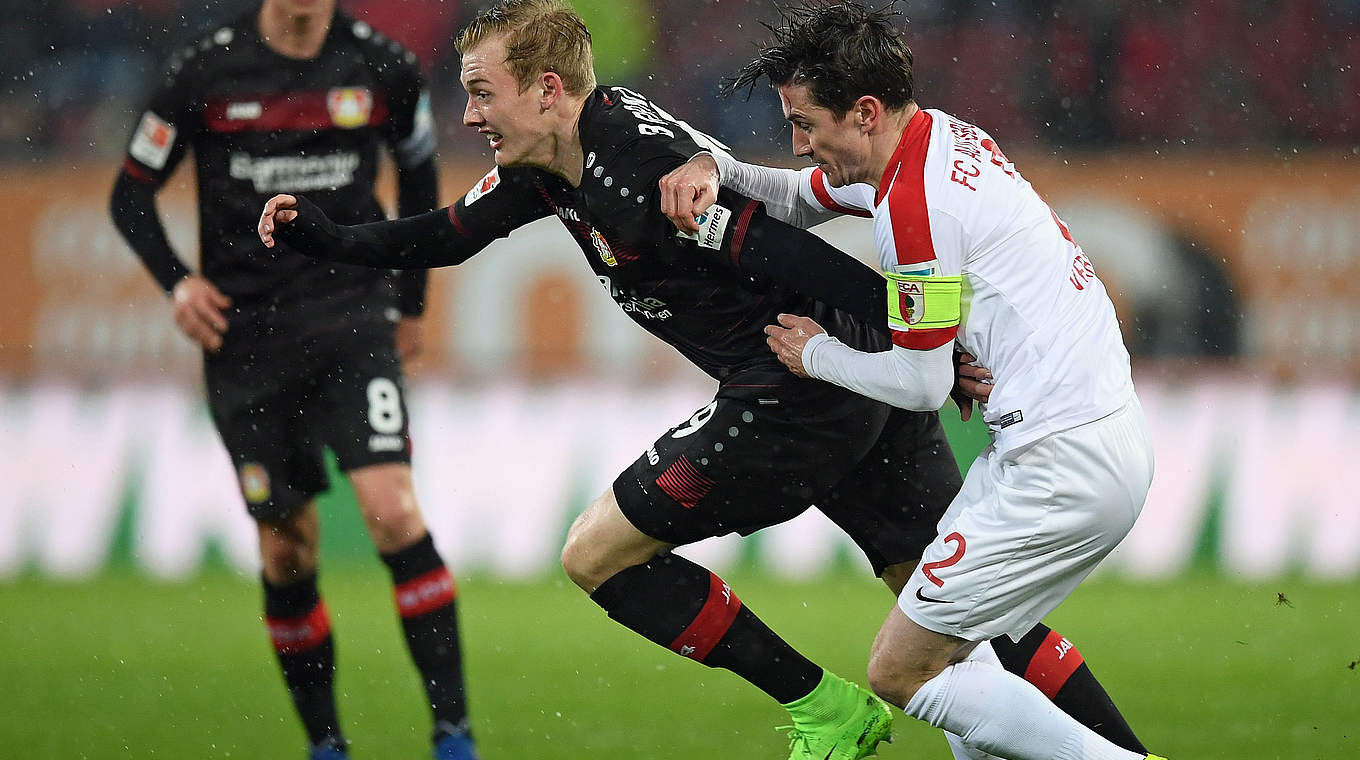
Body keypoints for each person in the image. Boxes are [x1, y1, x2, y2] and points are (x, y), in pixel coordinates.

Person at [259, 2, 1145, 758]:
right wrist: (323, 236)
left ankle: (821, 705)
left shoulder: (637, 171)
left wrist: (926, 352)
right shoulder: (551, 165)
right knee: (963, 618)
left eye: (483, 92)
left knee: (596, 555)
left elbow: (785, 248)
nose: (471, 113)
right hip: (855, 387)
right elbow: (444, 234)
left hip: (793, 395)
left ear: (548, 91)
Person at [659, 4, 1165, 760]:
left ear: (864, 112)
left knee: (899, 669)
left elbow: (925, 385)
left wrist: (817, 354)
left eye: (805, 124)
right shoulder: (938, 138)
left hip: (1060, 465)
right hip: (1092, 439)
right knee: (966, 663)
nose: (798, 145)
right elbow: (799, 199)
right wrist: (718, 166)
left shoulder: (917, 209)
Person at [108, 2, 477, 759]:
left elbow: (418, 172)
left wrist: (410, 301)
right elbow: (129, 194)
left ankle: (454, 736)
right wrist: (178, 283)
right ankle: (328, 746)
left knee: (393, 513)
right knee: (287, 550)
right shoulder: (204, 67)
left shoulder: (383, 65)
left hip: (352, 320)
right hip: (247, 343)